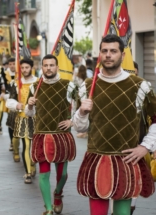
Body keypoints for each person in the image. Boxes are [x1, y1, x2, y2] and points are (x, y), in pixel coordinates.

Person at [73, 34, 156, 215]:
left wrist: (145, 147)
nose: (108, 55)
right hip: (96, 158)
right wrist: (81, 112)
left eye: (113, 51)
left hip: (125, 159)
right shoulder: (88, 86)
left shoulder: (139, 86)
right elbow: (79, 128)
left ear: (122, 55)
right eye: (104, 51)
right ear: (99, 55)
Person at [25, 54, 79, 215]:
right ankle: (48, 209)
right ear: (41, 67)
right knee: (44, 173)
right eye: (45, 65)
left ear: (57, 67)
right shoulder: (35, 87)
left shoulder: (68, 86)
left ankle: (57, 194)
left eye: (51, 65)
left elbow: (80, 108)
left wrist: (72, 121)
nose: (48, 68)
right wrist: (29, 105)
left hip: (61, 135)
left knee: (62, 174)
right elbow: (29, 113)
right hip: (41, 135)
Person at [5, 58, 37, 184]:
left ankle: (33, 165)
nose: (24, 70)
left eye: (27, 67)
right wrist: (16, 105)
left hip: (37, 118)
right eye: (22, 68)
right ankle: (28, 172)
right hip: (22, 118)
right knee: (26, 145)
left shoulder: (39, 82)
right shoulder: (16, 83)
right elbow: (10, 100)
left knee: (35, 145)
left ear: (31, 68)